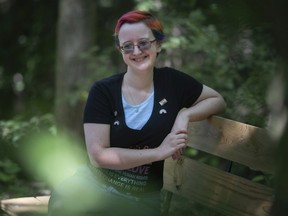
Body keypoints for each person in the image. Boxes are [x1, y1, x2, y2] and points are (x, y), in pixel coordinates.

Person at [48, 10, 226, 216]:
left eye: (143, 43)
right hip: (93, 185)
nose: (136, 51)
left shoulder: (173, 83)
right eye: (127, 46)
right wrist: (160, 152)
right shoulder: (103, 91)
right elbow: (98, 156)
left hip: (139, 199)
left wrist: (183, 116)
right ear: (120, 50)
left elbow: (217, 100)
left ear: (158, 44)